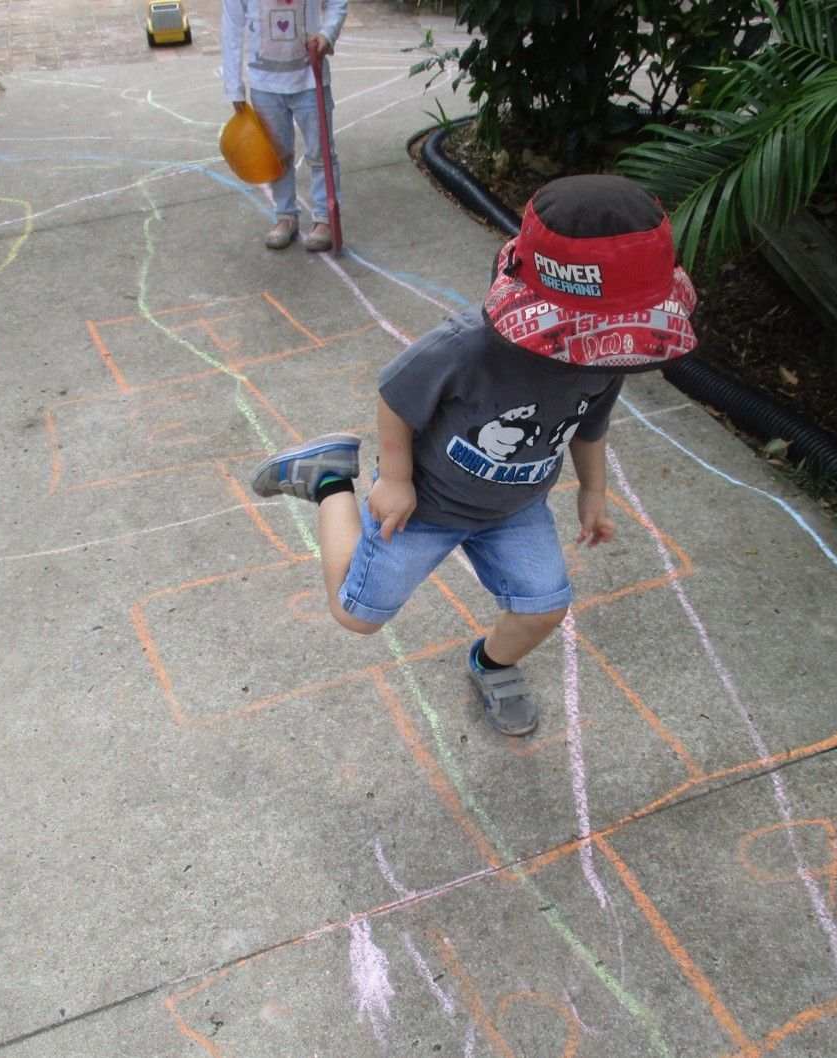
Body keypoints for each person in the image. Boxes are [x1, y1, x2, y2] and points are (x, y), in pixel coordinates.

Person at [251, 175, 698, 734]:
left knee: (544, 604)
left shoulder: (613, 353)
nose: (607, 348)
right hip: (426, 504)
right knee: (355, 615)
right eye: (602, 331)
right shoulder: (468, 345)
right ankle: (328, 480)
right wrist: (394, 478)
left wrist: (593, 490)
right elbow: (396, 395)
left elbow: (590, 424)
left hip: (514, 508)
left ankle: (492, 663)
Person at [221, 0, 348, 251]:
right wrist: (233, 84)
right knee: (277, 156)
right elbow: (232, 25)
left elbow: (336, 3)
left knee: (320, 152)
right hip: (265, 83)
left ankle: (324, 216)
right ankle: (285, 213)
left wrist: (327, 34)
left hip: (310, 79)